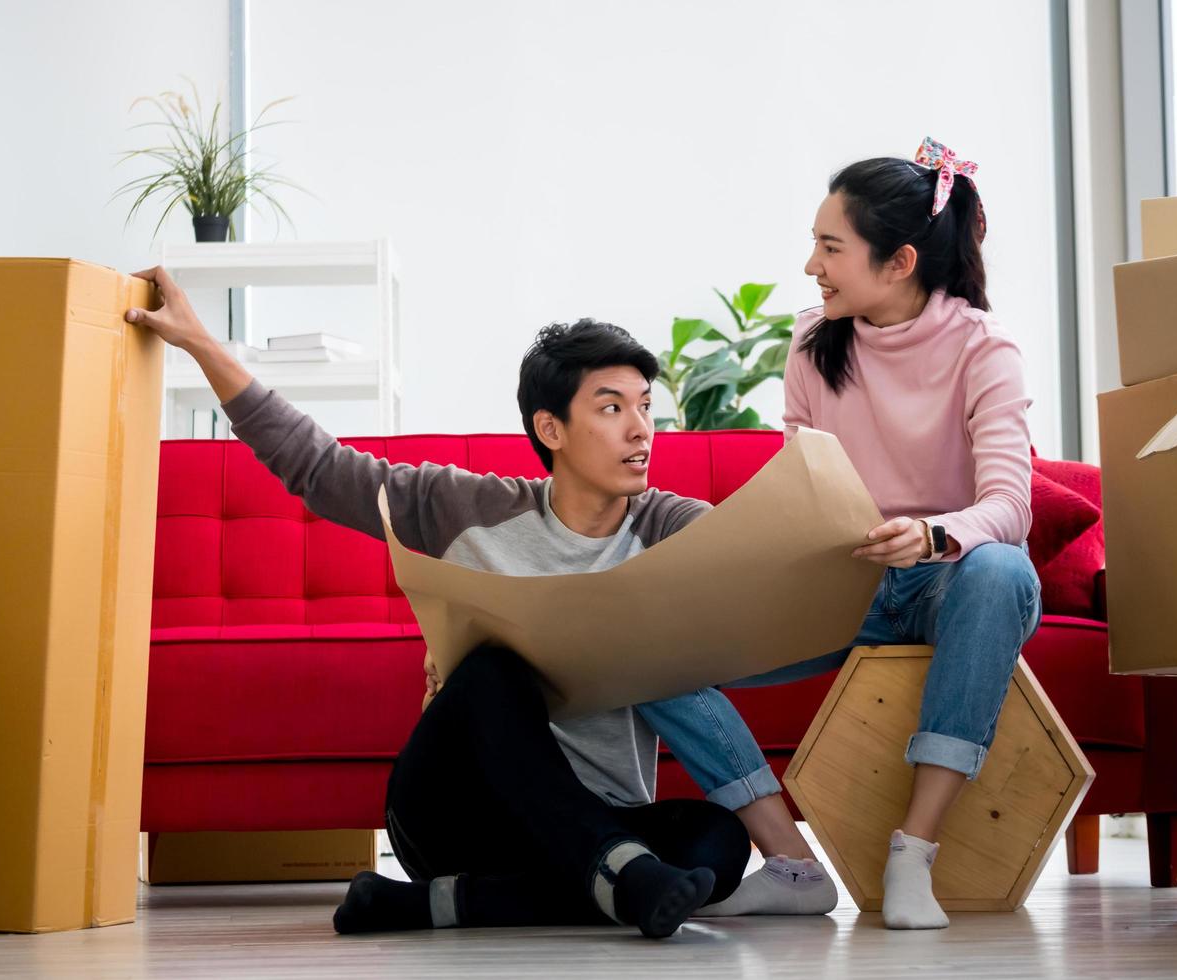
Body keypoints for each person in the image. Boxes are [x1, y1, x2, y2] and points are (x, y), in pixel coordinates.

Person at [124, 272, 749, 939]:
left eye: (646, 406)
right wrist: (201, 345)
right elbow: (319, 469)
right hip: (455, 812)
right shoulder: (463, 507)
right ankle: (615, 872)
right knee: (493, 671)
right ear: (552, 429)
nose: (641, 429)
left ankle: (437, 905)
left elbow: (766, 547)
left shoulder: (671, 528)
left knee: (719, 843)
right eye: (612, 407)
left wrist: (869, 540)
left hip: (597, 814)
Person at [641, 138, 1040, 929]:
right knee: (651, 651)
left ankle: (912, 853)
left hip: (947, 581)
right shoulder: (810, 343)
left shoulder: (983, 349)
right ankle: (790, 863)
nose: (810, 266)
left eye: (830, 247)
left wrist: (929, 536)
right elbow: (804, 482)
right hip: (839, 583)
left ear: (897, 262)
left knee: (1003, 572)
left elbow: (1011, 504)